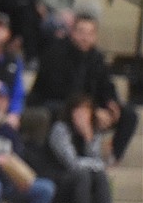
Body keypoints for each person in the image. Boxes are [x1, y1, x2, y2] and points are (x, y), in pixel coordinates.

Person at [28, 14, 138, 165]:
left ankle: (113, 159)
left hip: (88, 107)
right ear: (72, 32)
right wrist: (92, 110)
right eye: (81, 32)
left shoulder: (97, 58)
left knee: (129, 114)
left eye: (90, 33)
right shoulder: (55, 53)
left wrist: (111, 104)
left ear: (95, 36)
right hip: (56, 103)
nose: (85, 37)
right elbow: (59, 91)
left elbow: (106, 86)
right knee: (59, 111)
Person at [45, 94, 125, 203]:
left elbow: (99, 164)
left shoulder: (93, 131)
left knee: (99, 175)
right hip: (61, 179)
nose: (82, 116)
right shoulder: (60, 129)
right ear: (71, 112)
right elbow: (71, 162)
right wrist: (92, 164)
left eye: (86, 111)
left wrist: (88, 137)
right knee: (84, 174)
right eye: (79, 111)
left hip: (85, 180)